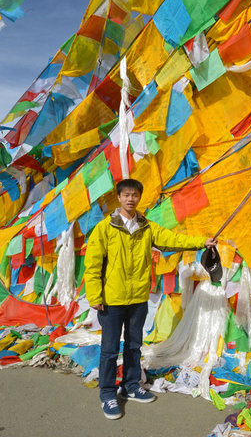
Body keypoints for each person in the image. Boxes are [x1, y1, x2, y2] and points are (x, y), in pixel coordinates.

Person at [83, 178, 217, 420]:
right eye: (126, 195)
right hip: (112, 300)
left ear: (139, 197)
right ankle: (107, 394)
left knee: (134, 345)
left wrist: (201, 243)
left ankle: (131, 386)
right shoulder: (104, 229)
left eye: (135, 195)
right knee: (110, 349)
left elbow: (172, 240)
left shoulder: (146, 226)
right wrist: (95, 296)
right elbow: (92, 266)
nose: (131, 199)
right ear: (119, 197)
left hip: (137, 298)